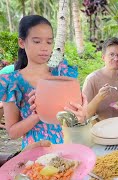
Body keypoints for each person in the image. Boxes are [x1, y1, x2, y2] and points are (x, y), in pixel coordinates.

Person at [0, 15, 87, 149]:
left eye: (49, 42)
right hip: (35, 155)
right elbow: (12, 132)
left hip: (67, 150)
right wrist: (37, 115)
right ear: (22, 43)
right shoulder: (13, 82)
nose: (44, 48)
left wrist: (81, 115)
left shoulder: (62, 75)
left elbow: (76, 118)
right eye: (37, 41)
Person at [82, 37, 118, 121]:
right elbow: (85, 115)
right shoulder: (91, 79)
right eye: (111, 54)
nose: (116, 59)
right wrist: (99, 97)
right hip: (98, 128)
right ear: (103, 57)